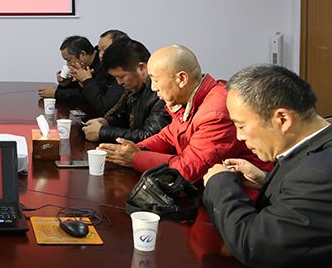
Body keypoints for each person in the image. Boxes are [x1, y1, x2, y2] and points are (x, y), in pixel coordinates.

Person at [202, 64, 332, 268]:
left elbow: (254, 245)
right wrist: (264, 180)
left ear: (283, 119)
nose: (239, 136)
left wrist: (219, 182)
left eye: (241, 126)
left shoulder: (322, 176)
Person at [98, 45, 268, 183]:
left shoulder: (216, 112)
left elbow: (188, 169)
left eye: (156, 80)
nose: (153, 88)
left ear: (182, 79)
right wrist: (137, 149)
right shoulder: (191, 98)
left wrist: (136, 158)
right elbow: (167, 136)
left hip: (242, 192)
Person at [82, 38, 171, 143]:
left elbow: (151, 136)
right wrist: (107, 122)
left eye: (121, 77)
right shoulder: (136, 87)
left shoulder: (162, 92)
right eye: (115, 78)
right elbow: (127, 118)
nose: (119, 82)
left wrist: (103, 132)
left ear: (141, 68)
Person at [37, 31, 126, 118]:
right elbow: (80, 92)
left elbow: (96, 100)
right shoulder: (90, 65)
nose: (101, 55)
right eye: (99, 50)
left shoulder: (105, 67)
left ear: (83, 54)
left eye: (69, 60)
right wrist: (66, 84)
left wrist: (57, 93)